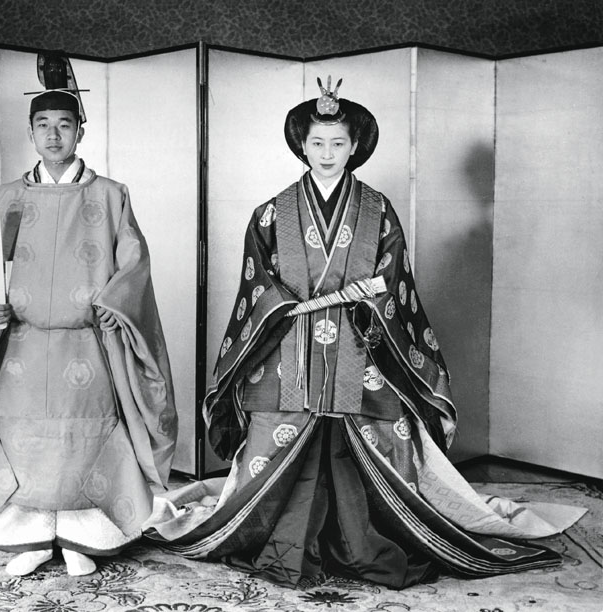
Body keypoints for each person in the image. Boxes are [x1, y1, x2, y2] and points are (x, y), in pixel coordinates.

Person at [143, 77, 584, 589]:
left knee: (374, 444)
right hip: (291, 350)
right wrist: (287, 304)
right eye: (317, 142)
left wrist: (367, 299)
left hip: (361, 345)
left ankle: (362, 545)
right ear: (301, 145)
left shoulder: (378, 210)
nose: (327, 153)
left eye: (338, 143)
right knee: (278, 444)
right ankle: (283, 544)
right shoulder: (272, 212)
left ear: (355, 147)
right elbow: (254, 284)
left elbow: (395, 281)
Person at [0, 52, 177, 578]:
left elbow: (134, 264)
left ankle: (83, 535)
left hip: (87, 343)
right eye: (42, 126)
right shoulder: (9, 197)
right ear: (31, 134)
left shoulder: (110, 195)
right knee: (21, 437)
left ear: (81, 131)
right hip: (21, 343)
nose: (53, 135)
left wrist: (113, 306)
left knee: (88, 436)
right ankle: (28, 536)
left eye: (64, 125)